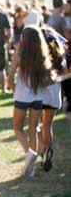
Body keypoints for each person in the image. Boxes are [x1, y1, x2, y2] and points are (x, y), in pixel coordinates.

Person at [7, 26, 53, 176]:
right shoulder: (42, 55)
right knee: (33, 129)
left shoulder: (19, 54)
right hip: (37, 98)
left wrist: (14, 89)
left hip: (21, 97)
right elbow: (48, 79)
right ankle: (31, 167)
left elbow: (10, 76)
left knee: (18, 128)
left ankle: (29, 153)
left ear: (24, 39)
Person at [39, 27, 66, 172]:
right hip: (55, 95)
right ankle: (47, 150)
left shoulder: (41, 56)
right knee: (47, 125)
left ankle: (42, 150)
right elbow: (65, 74)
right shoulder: (60, 56)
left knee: (34, 125)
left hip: (40, 95)